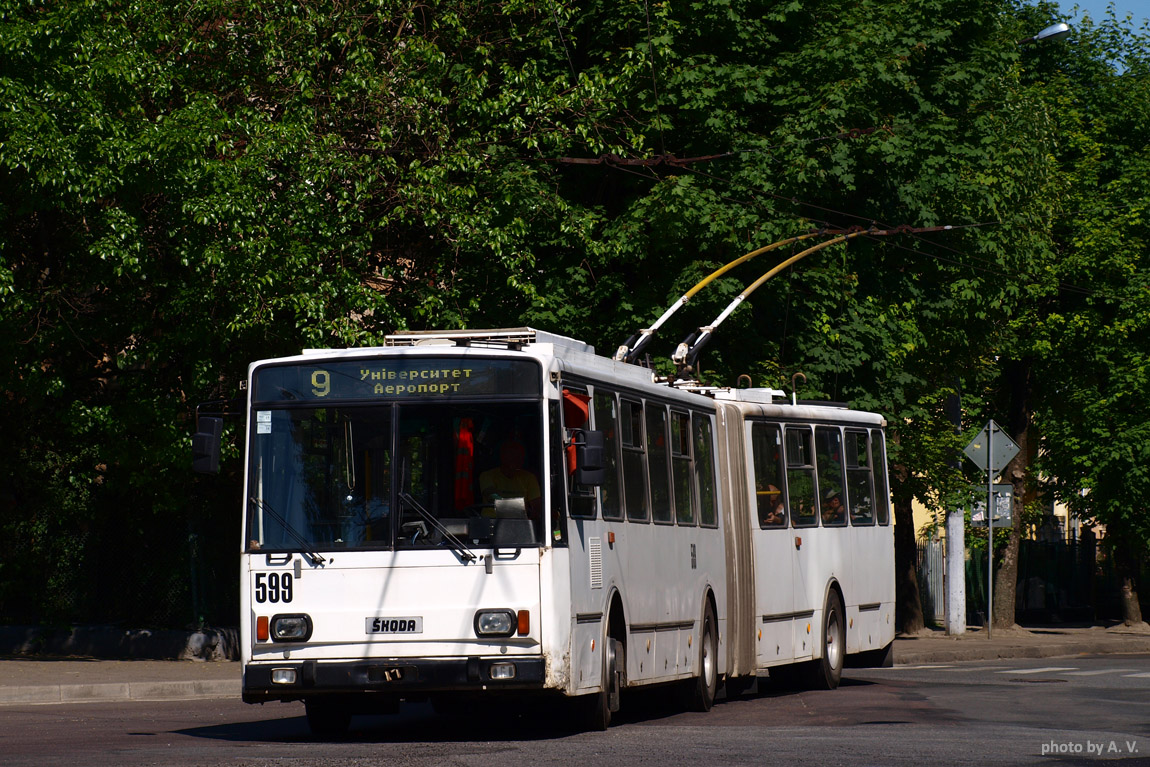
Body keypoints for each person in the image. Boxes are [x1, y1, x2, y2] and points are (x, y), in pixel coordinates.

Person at [479, 440, 542, 520]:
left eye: (518, 456)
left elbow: (536, 508)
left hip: (521, 523)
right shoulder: (487, 475)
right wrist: (518, 507)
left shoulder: (529, 478)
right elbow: (491, 496)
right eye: (511, 455)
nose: (515, 459)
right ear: (502, 457)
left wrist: (530, 519)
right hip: (492, 522)